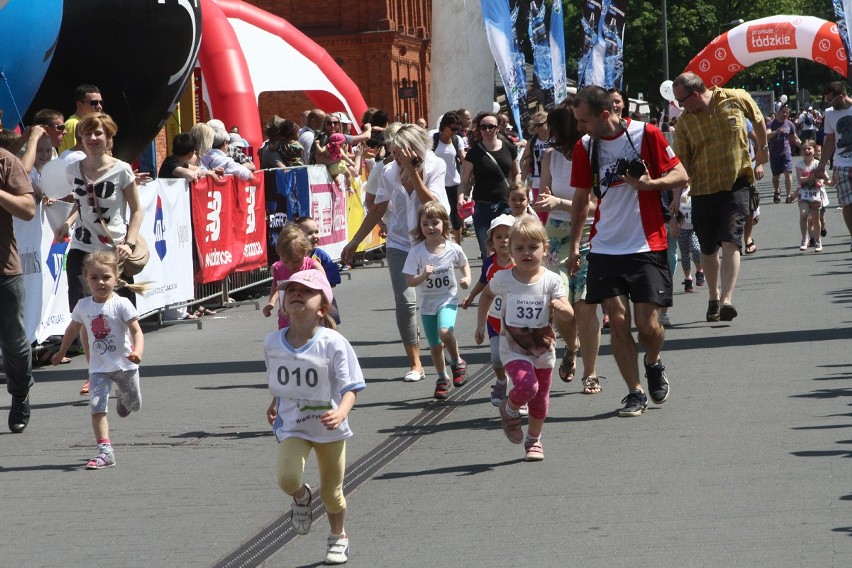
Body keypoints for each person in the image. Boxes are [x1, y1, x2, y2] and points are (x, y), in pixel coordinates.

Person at [569, 85, 688, 417]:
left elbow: (680, 174)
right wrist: (576, 246)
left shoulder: (646, 134)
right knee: (618, 320)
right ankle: (635, 392)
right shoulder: (585, 146)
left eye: (583, 120)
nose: (579, 127)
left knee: (648, 326)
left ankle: (653, 361)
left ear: (604, 115)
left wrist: (651, 185)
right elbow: (580, 200)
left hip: (646, 243)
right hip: (605, 246)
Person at [263, 270, 364, 565]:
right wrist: (274, 402)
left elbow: (351, 386)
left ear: (322, 307)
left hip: (329, 429)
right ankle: (302, 497)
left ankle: (337, 536)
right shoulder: (272, 342)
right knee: (287, 478)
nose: (296, 293)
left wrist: (342, 411)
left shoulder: (333, 343)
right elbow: (282, 380)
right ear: (282, 304)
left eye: (305, 291)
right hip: (293, 425)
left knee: (332, 494)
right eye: (291, 289)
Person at [341, 124, 449, 383]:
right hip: (401, 241)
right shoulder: (389, 171)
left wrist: (413, 171)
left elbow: (431, 204)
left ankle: (449, 356)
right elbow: (377, 209)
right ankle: (415, 363)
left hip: (431, 244)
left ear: (416, 149)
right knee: (406, 301)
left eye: (400, 152)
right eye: (393, 152)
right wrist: (355, 241)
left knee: (434, 302)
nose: (395, 158)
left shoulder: (435, 166)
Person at [57, 112, 144, 396]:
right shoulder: (73, 170)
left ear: (109, 138)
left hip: (111, 251)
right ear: (80, 138)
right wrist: (67, 224)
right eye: (87, 134)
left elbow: (137, 209)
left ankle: (123, 366)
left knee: (116, 314)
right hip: (82, 249)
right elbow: (81, 204)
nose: (93, 139)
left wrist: (128, 244)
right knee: (84, 313)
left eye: (99, 134)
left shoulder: (121, 170)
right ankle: (94, 371)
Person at [671, 72, 768, 322]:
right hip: (703, 189)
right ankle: (713, 296)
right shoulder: (685, 122)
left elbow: (758, 120)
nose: (680, 107)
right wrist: (675, 198)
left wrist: (763, 148)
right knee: (708, 248)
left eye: (681, 101)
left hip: (737, 183)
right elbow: (681, 163)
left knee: (731, 240)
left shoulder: (736, 98)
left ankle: (726, 299)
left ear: (694, 95)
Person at [475, 217, 573, 461]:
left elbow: (569, 312)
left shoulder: (552, 280)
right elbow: (486, 295)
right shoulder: (504, 278)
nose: (526, 253)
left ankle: (534, 440)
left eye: (533, 247)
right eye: (519, 248)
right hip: (513, 348)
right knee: (528, 386)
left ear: (545, 248)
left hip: (543, 349)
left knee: (540, 399)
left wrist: (561, 308)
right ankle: (509, 409)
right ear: (510, 251)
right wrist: (480, 324)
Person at [50, 251, 147, 468]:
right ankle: (105, 451)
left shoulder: (122, 304)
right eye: (94, 278)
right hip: (98, 369)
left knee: (134, 405)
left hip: (125, 365)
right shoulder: (83, 306)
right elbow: (72, 330)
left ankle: (123, 398)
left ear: (116, 278)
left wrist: (138, 352)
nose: (100, 282)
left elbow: (137, 331)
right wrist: (60, 351)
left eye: (106, 277)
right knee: (96, 406)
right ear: (86, 280)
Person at [533, 104, 602, 394]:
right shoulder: (550, 157)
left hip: (589, 234)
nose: (550, 136)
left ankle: (591, 373)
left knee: (585, 307)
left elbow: (596, 205)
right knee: (561, 305)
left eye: (556, 130)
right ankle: (571, 346)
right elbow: (545, 192)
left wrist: (559, 203)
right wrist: (542, 202)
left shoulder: (593, 155)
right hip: (556, 235)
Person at [403, 201, 471, 399]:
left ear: (444, 224)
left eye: (435, 223)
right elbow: (409, 280)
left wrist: (466, 278)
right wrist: (423, 275)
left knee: (444, 332)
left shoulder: (453, 248)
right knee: (434, 345)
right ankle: (443, 378)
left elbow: (464, 264)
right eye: (425, 224)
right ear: (419, 227)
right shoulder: (416, 252)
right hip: (427, 305)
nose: (430, 228)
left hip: (447, 299)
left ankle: (457, 361)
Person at [461, 214, 517, 407]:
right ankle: (502, 381)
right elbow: (483, 285)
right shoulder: (489, 264)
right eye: (498, 236)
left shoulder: (521, 263)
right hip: (495, 321)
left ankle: (520, 392)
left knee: (520, 358)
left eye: (508, 235)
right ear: (492, 241)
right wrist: (471, 297)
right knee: (496, 357)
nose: (504, 240)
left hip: (518, 323)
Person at [0, 146, 36, 433]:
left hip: (3, 270)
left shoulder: (6, 161)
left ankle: (20, 393)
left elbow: (28, 209)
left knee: (13, 341)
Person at [458, 112, 520, 260]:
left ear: (497, 128)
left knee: (507, 247)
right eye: (483, 127)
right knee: (487, 249)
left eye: (490, 127)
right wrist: (461, 197)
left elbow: (516, 173)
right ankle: (490, 280)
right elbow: (464, 180)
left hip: (505, 204)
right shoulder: (474, 152)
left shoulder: (508, 147)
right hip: (482, 205)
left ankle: (507, 280)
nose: (487, 130)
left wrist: (517, 191)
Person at [263, 224, 325, 329]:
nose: (291, 266)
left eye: (296, 261)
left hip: (310, 318)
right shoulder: (277, 268)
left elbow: (325, 289)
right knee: (286, 344)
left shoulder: (313, 266)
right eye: (286, 261)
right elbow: (277, 285)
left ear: (305, 252)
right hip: (286, 319)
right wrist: (271, 303)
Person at [814, 81, 852, 252]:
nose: (830, 104)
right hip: (842, 163)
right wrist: (821, 165)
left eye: (832, 100)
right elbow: (830, 141)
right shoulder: (829, 114)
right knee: (847, 203)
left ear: (842, 96)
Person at [294, 216, 342, 321]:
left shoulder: (321, 255)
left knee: (328, 323)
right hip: (303, 298)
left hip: (322, 297)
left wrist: (327, 283)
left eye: (317, 232)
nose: (315, 236)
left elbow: (333, 274)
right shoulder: (295, 257)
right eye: (310, 233)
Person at [432, 111, 466, 243]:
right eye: (452, 128)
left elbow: (464, 158)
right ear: (444, 126)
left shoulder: (458, 140)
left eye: (457, 129)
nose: (455, 132)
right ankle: (441, 243)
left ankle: (458, 245)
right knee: (438, 215)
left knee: (456, 217)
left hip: (453, 183)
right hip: (436, 184)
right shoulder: (433, 139)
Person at [520, 111, 551, 223]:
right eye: (535, 126)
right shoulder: (532, 141)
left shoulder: (555, 139)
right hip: (538, 181)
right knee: (541, 214)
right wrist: (521, 183)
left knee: (553, 213)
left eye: (540, 125)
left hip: (554, 180)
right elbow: (526, 162)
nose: (538, 129)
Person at [768, 105, 802, 204]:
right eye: (783, 112)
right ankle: (777, 191)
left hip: (786, 152)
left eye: (787, 113)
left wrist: (804, 146)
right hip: (774, 152)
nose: (785, 114)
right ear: (778, 112)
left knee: (788, 172)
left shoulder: (789, 124)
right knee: (776, 177)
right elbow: (767, 135)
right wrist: (775, 132)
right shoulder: (771, 123)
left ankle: (788, 195)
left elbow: (794, 138)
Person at [674, 186, 705, 292]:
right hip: (681, 227)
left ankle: (700, 270)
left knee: (696, 249)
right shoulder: (676, 190)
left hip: (694, 226)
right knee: (684, 253)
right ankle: (688, 279)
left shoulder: (695, 188)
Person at [796, 140, 824, 252]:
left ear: (814, 150)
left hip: (816, 194)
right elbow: (800, 179)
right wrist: (812, 177)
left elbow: (821, 177)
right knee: (803, 215)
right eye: (804, 149)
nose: (807, 151)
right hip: (804, 194)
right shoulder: (799, 165)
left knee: (815, 219)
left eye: (809, 148)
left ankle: (818, 240)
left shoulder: (818, 164)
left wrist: (822, 181)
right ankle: (804, 239)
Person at [59, 84, 103, 154]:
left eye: (101, 102)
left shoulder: (85, 123)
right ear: (79, 105)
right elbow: (77, 155)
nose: (99, 106)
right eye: (94, 103)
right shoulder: (74, 124)